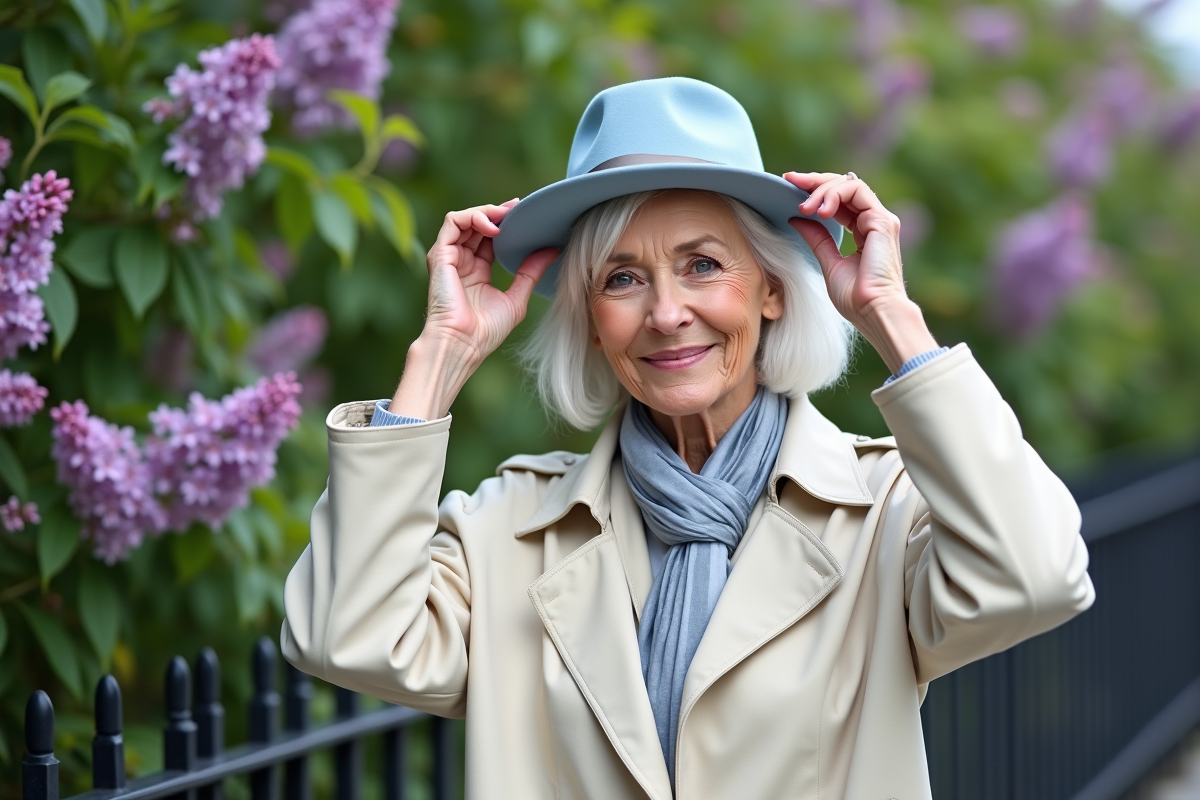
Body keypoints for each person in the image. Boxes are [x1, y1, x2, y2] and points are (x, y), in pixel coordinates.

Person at [281, 77, 1094, 800]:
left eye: (703, 265)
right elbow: (347, 639)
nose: (667, 313)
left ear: (772, 291)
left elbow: (1034, 579)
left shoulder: (882, 509)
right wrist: (438, 358)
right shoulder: (511, 529)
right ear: (595, 326)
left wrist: (890, 314)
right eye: (623, 278)